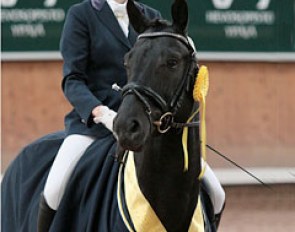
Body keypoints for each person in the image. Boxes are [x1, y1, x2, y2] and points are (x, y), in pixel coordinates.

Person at [37, 0, 225, 231]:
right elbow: (73, 80)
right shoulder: (82, 15)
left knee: (217, 193)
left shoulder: (149, 15)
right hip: (94, 126)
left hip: (145, 124)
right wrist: (101, 113)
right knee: (55, 188)